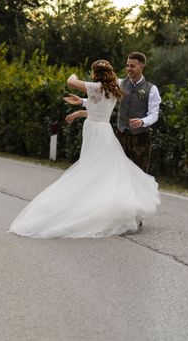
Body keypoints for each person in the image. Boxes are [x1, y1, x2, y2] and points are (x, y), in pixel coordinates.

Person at [9, 60, 160, 239]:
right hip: (105, 130)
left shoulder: (95, 86)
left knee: (91, 169)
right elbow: (98, 110)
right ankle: (111, 208)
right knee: (106, 171)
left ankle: (91, 208)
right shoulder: (114, 89)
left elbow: (71, 81)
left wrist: (72, 74)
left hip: (93, 131)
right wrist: (80, 109)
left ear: (95, 73)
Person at [64, 52, 161, 173]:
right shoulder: (118, 83)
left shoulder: (151, 89)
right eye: (127, 65)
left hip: (141, 137)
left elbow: (154, 114)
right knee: (117, 172)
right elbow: (102, 100)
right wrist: (82, 102)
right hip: (120, 134)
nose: (128, 69)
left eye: (132, 66)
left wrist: (142, 121)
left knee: (139, 173)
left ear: (142, 66)